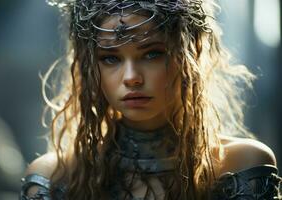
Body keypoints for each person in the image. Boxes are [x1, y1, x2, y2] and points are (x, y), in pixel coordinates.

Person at [20, 0, 281, 199]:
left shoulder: (241, 164)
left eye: (152, 54)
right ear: (90, 69)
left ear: (189, 55)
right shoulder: (55, 177)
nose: (131, 78)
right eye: (110, 58)